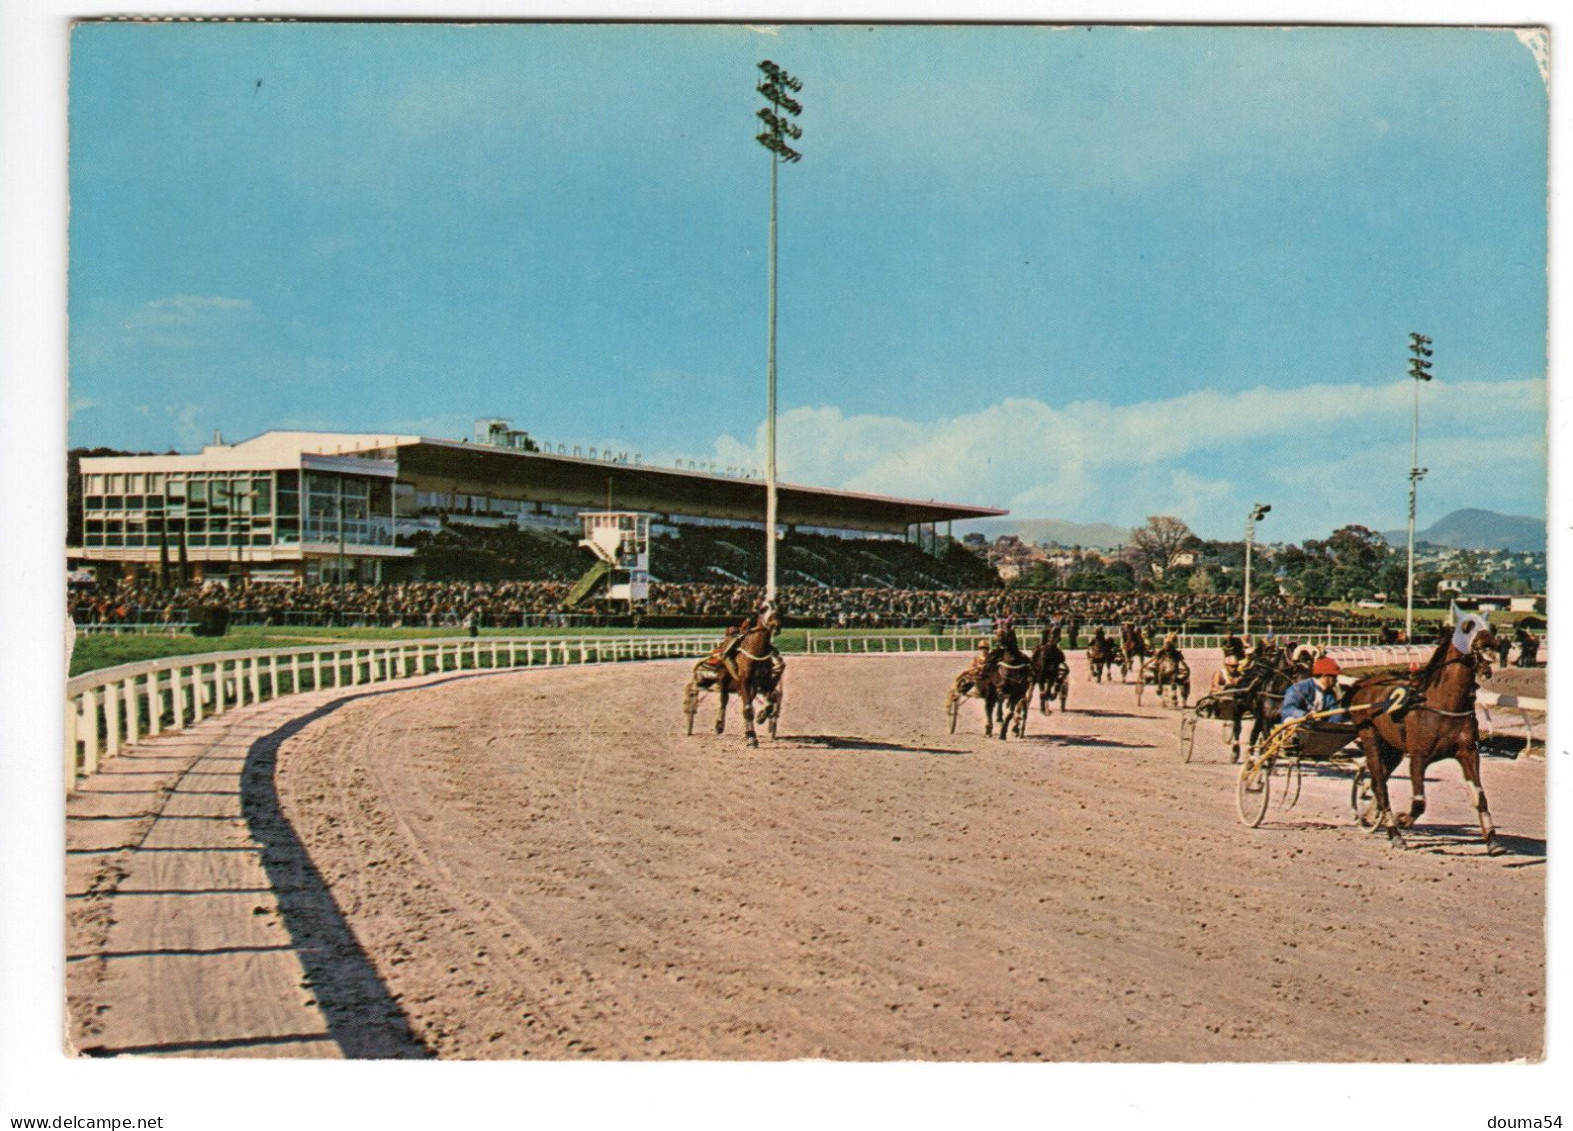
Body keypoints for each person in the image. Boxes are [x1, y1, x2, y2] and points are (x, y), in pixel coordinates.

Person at [1279, 657, 1347, 723]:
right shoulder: (1299, 688)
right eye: (1334, 677)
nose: (1336, 680)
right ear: (1324, 676)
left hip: (1316, 727)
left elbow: (1334, 713)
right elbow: (1287, 709)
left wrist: (1340, 721)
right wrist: (1304, 715)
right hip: (1295, 724)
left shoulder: (1330, 694)